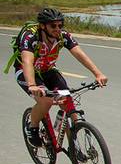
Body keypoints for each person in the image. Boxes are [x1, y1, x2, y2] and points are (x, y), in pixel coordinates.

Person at [15, 8, 108, 146]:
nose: (57, 29)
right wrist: (32, 85)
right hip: (27, 72)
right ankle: (32, 127)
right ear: (42, 26)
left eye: (60, 25)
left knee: (67, 100)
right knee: (46, 101)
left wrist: (98, 73)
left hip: (48, 70)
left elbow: (79, 53)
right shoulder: (31, 36)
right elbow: (27, 61)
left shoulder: (62, 36)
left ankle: (73, 143)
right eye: (53, 26)